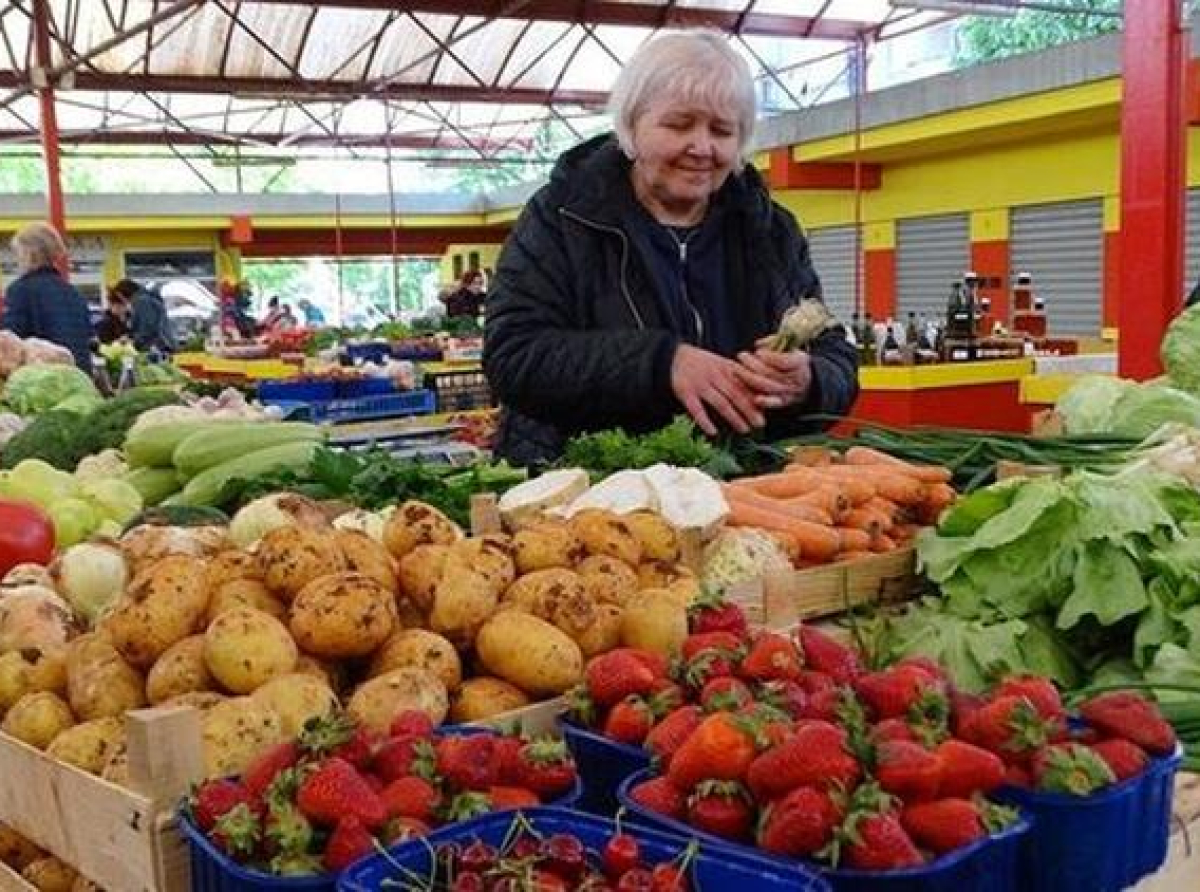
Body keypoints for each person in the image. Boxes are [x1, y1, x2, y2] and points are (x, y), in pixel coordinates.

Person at [483, 31, 859, 466]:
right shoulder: (562, 217)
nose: (701, 148)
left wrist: (809, 381)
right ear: (632, 124)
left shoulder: (770, 230)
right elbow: (514, 355)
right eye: (679, 125)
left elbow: (835, 353)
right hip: (588, 491)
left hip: (745, 490)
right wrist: (660, 364)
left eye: (722, 130)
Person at [1, 222, 94, 370]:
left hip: (40, 380)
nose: (17, 260)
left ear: (29, 253)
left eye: (18, 253)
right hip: (79, 380)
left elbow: (9, 343)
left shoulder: (20, 290)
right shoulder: (74, 293)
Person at [112, 278, 177, 354]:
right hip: (161, 346)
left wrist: (131, 340)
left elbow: (147, 328)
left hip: (158, 348)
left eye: (120, 296)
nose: (122, 300)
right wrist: (130, 336)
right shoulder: (146, 299)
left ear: (125, 293)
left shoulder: (142, 301)